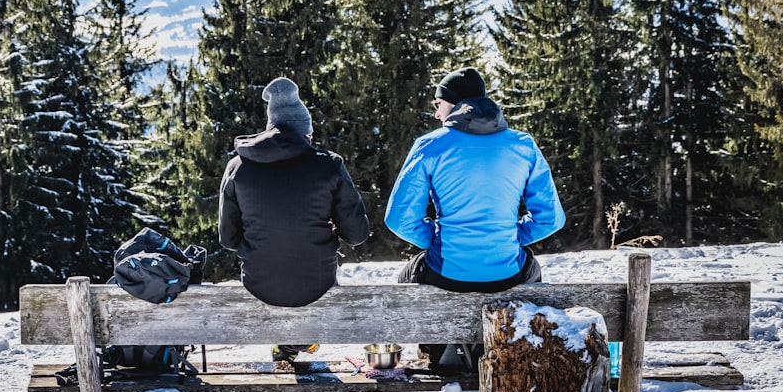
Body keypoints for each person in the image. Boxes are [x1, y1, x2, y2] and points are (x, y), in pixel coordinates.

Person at [384, 67, 565, 369]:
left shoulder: (431, 145)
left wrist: (438, 238)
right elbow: (550, 219)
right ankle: (510, 343)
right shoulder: (523, 145)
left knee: (410, 274)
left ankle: (437, 348)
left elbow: (399, 219)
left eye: (438, 103)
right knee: (531, 266)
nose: (435, 110)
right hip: (507, 275)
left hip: (448, 275)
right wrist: (509, 235)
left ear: (454, 105)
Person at [218, 76, 371, 362]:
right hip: (318, 282)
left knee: (280, 273)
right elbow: (357, 234)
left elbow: (227, 239)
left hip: (258, 283)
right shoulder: (329, 165)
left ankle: (287, 344)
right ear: (306, 133)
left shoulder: (238, 166)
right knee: (308, 278)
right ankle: (299, 340)